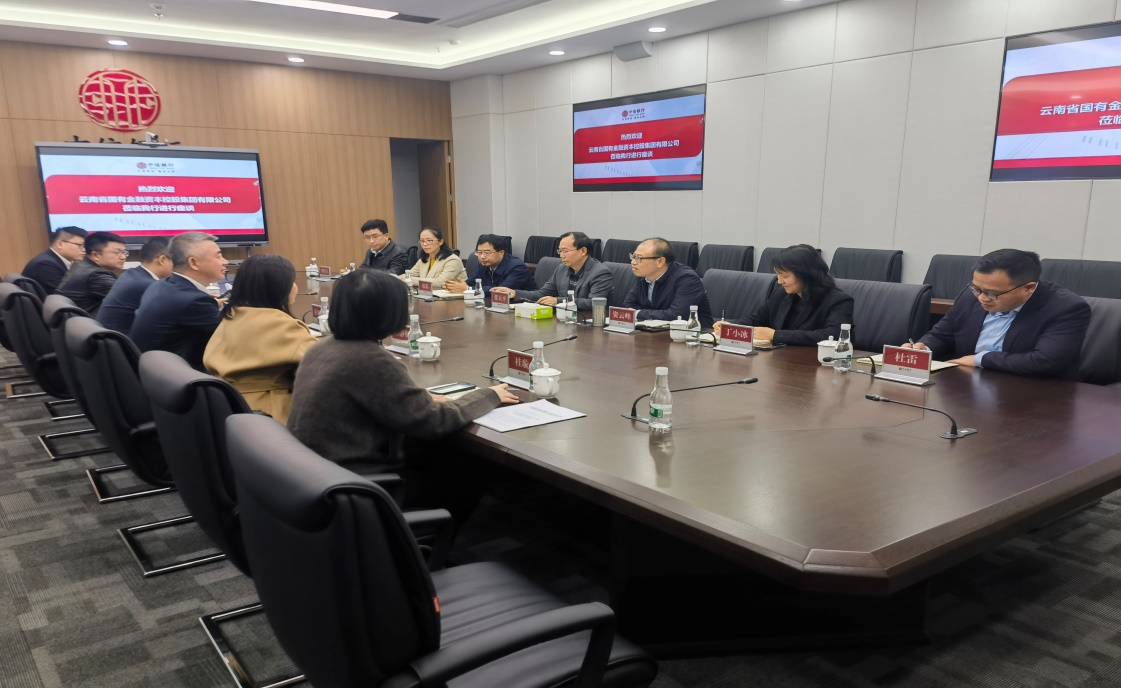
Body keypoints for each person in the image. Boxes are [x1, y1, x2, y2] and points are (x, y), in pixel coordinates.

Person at [287, 269, 519, 519]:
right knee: (471, 470)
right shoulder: (371, 360)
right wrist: (488, 395)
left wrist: (419, 399)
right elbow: (434, 421)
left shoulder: (321, 348)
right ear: (389, 312)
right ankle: (417, 542)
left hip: (318, 476)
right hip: (359, 486)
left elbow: (374, 398)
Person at [902, 248, 1090, 380]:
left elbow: (1045, 361)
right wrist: (923, 348)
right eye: (976, 288)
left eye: (992, 293)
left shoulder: (1065, 308)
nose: (982, 298)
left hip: (1035, 394)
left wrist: (980, 359)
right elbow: (942, 334)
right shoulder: (971, 295)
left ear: (1029, 288)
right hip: (968, 385)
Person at [203, 255, 316, 424]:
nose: (295, 287)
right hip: (271, 415)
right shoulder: (280, 325)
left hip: (230, 409)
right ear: (278, 288)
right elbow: (324, 365)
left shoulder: (233, 314)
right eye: (291, 281)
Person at [713, 244, 853, 345]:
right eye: (778, 275)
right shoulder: (781, 294)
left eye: (785, 276)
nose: (779, 281)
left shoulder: (839, 301)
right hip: (781, 361)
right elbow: (758, 319)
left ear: (806, 275)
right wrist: (731, 325)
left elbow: (832, 336)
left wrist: (775, 335)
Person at [130, 232, 229, 371]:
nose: (225, 262)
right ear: (193, 263)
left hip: (148, 371)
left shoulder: (162, 284)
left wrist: (210, 305)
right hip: (176, 377)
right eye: (218, 256)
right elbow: (234, 338)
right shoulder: (194, 301)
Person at [492, 231, 612, 310]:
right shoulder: (561, 268)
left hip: (587, 323)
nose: (561, 255)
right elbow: (542, 294)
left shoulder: (600, 272)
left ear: (583, 251)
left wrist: (558, 301)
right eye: (560, 251)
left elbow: (594, 303)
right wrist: (515, 293)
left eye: (566, 251)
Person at [623, 237, 713, 327]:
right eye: (633, 256)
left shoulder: (687, 279)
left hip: (693, 332)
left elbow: (677, 315)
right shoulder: (644, 275)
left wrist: (638, 313)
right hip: (653, 330)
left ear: (660, 261)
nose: (633, 262)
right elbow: (628, 305)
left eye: (639, 258)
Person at [97, 237, 174, 335]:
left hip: (109, 337)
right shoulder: (148, 284)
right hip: (122, 341)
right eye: (176, 261)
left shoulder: (133, 273)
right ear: (162, 260)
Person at [56, 232, 128, 317]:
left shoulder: (81, 265)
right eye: (117, 253)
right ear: (95, 255)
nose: (123, 257)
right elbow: (128, 298)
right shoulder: (96, 275)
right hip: (88, 321)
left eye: (124, 252)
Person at [443, 234, 535, 296]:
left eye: (487, 253)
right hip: (492, 305)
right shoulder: (484, 264)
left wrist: (468, 289)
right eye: (479, 252)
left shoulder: (517, 267)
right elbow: (472, 282)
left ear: (501, 253)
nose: (482, 257)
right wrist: (454, 285)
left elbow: (499, 291)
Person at [21, 226, 89, 295]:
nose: (84, 250)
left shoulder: (55, 260)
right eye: (81, 245)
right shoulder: (45, 265)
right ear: (60, 244)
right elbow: (64, 295)